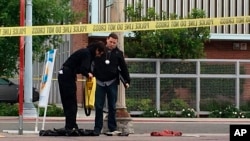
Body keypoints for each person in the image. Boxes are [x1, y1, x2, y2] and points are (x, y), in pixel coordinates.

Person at [57, 41, 105, 132]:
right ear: (97, 50)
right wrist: (88, 74)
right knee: (71, 101)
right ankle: (70, 125)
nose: (98, 56)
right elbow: (83, 69)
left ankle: (71, 124)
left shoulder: (85, 52)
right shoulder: (87, 54)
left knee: (68, 101)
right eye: (99, 53)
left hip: (65, 74)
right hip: (67, 76)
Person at [93, 33, 131, 136]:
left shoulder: (118, 53)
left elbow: (123, 68)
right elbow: (93, 63)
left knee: (112, 106)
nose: (112, 44)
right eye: (110, 42)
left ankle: (112, 127)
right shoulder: (100, 51)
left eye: (114, 43)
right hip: (100, 82)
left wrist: (127, 81)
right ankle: (97, 128)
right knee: (99, 106)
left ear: (116, 43)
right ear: (107, 40)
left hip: (112, 82)